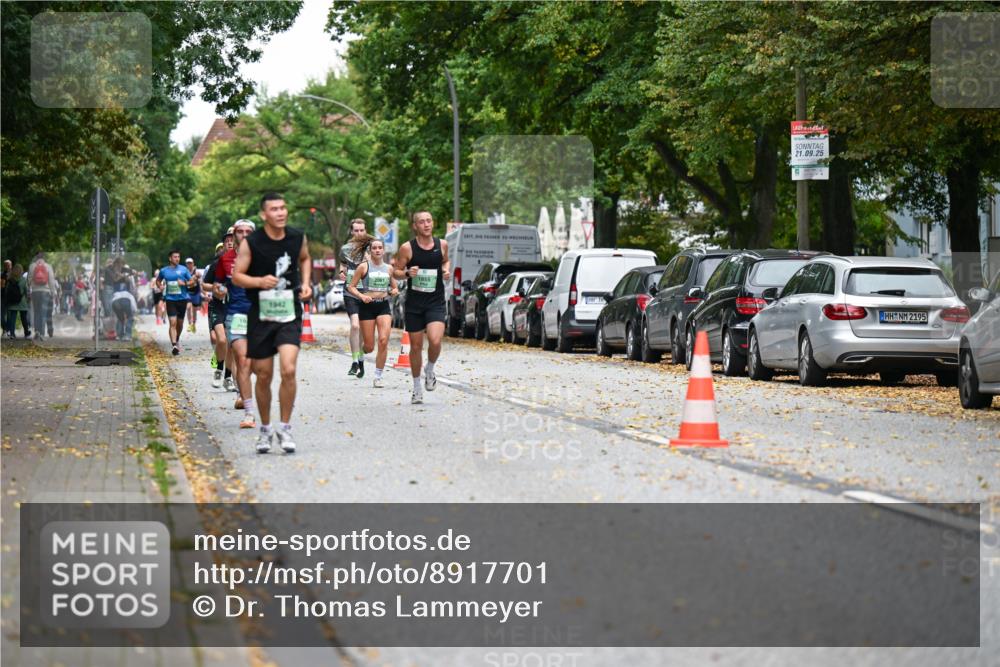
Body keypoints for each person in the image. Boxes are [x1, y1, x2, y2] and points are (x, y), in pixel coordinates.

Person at [232, 193, 312, 453]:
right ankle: (265, 430)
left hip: (289, 312)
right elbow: (237, 277)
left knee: (288, 369)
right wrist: (258, 282)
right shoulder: (252, 243)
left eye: (283, 208)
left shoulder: (297, 237)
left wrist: (307, 283)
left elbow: (305, 258)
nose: (281, 212)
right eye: (274, 209)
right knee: (263, 374)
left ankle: (285, 429)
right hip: (261, 314)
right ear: (264, 215)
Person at [392, 211, 451, 404]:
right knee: (416, 347)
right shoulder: (407, 248)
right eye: (422, 222)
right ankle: (417, 387)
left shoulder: (442, 245)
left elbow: (445, 260)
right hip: (415, 304)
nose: (426, 224)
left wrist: (446, 270)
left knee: (435, 340)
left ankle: (430, 369)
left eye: (429, 221)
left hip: (435, 302)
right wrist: (408, 272)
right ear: (415, 226)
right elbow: (396, 272)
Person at [218, 220, 257, 426]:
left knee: (256, 365)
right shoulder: (225, 259)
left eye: (247, 231)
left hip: (259, 315)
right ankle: (249, 413)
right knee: (242, 360)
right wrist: (218, 290)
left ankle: (244, 391)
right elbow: (215, 284)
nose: (242, 234)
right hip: (237, 315)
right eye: (238, 231)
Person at [347, 236, 398, 388]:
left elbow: (394, 287)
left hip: (383, 307)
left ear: (383, 250)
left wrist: (394, 291)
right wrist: (362, 296)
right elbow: (351, 286)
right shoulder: (363, 267)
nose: (377, 250)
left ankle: (378, 376)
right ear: (370, 250)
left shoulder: (389, 268)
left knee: (383, 340)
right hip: (367, 307)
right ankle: (361, 354)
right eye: (374, 248)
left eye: (379, 248)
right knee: (369, 346)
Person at [339, 218, 369, 377]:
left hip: (367, 293)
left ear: (365, 230)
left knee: (364, 330)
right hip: (350, 291)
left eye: (361, 230)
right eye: (356, 230)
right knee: (355, 326)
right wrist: (342, 272)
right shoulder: (345, 249)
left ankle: (361, 358)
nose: (359, 233)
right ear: (351, 232)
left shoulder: (371, 247)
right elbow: (342, 264)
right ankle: (354, 361)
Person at [204, 236, 232, 389]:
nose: (230, 242)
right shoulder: (217, 264)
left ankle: (228, 378)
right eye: (227, 239)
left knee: (231, 345)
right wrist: (216, 287)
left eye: (233, 239)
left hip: (234, 307)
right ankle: (219, 370)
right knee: (221, 340)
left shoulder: (243, 263)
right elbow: (204, 285)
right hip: (218, 306)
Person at [156, 250, 196, 355]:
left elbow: (192, 282)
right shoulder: (164, 271)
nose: (177, 259)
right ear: (170, 258)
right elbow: (158, 280)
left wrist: (184, 283)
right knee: (172, 322)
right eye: (175, 257)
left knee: (180, 324)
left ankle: (177, 338)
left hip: (182, 299)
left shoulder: (183, 269)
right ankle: (174, 345)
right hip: (170, 300)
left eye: (178, 257)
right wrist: (160, 286)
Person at [27, 252, 57, 341]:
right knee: (43, 313)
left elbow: (29, 279)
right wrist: (53, 292)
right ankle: (42, 334)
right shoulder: (48, 266)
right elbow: (51, 280)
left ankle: (37, 332)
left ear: (36, 257)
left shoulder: (32, 266)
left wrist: (30, 288)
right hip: (45, 292)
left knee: (36, 312)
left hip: (35, 292)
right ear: (44, 257)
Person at [110, 261, 137, 342]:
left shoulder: (113, 278)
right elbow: (133, 287)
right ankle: (127, 335)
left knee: (120, 317)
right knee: (130, 316)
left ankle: (119, 335)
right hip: (126, 298)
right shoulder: (127, 278)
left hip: (115, 300)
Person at [185, 258, 203, 333]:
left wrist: (202, 292)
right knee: (188, 307)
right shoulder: (185, 272)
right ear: (186, 264)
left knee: (194, 310)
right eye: (188, 263)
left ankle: (193, 324)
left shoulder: (196, 271)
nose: (189, 264)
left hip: (196, 292)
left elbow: (201, 280)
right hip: (188, 292)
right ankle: (189, 324)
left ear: (193, 263)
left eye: (190, 263)